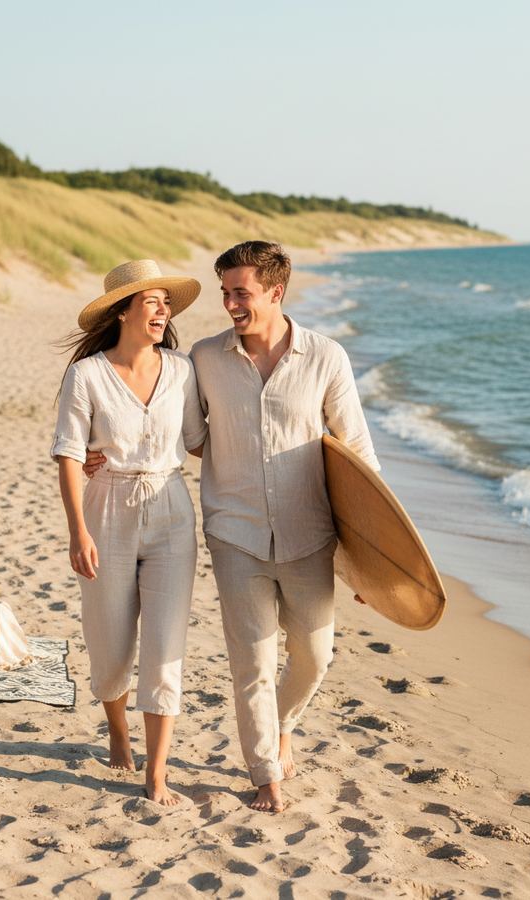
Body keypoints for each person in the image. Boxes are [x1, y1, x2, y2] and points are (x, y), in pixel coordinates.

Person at [190, 241, 378, 813]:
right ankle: (264, 773)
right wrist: (102, 453)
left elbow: (358, 453)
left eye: (240, 292)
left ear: (275, 292)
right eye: (225, 292)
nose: (230, 304)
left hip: (309, 534)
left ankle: (285, 723)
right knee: (252, 662)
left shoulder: (327, 358)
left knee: (315, 657)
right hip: (234, 531)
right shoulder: (204, 358)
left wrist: (375, 561)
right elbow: (184, 434)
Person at [51, 259, 206, 806]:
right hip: (106, 508)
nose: (164, 311)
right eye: (153, 302)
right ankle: (118, 731)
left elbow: (198, 440)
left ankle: (157, 773)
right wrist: (78, 532)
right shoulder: (87, 375)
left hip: (171, 510)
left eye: (167, 302)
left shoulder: (183, 370)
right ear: (123, 310)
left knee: (166, 647)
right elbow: (70, 455)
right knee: (110, 647)